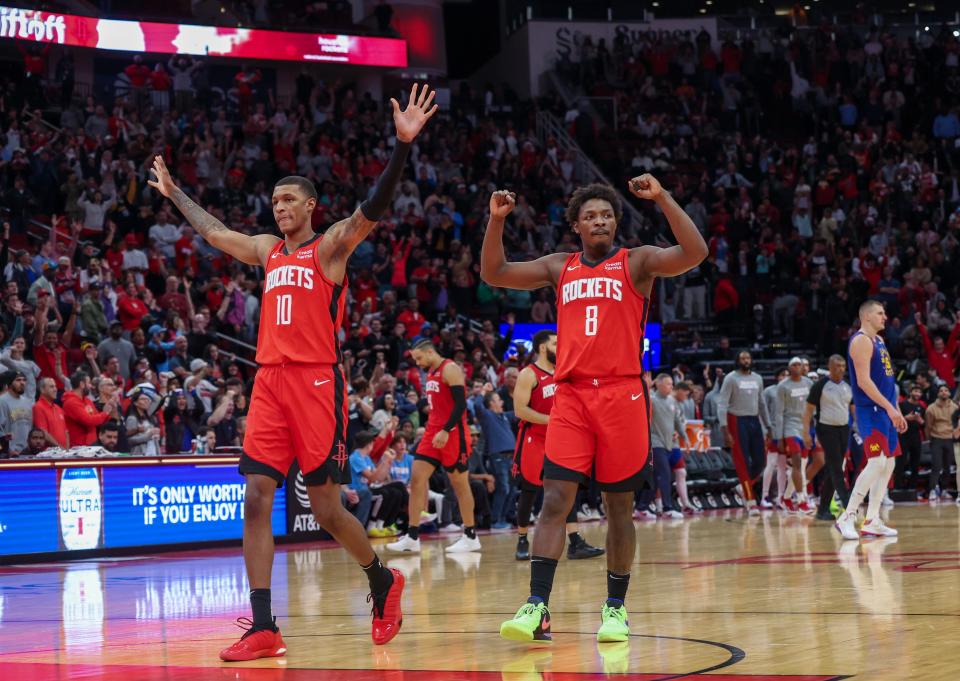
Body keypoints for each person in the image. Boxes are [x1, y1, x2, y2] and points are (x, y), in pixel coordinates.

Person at [148, 82, 437, 659]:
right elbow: (213, 233)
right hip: (270, 383)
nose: (279, 208)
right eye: (275, 201)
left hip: (317, 383)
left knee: (327, 509)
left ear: (310, 207)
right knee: (255, 496)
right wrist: (176, 193)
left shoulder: (329, 248)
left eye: (289, 201)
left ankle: (381, 579)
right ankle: (263, 625)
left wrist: (402, 146)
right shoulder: (266, 251)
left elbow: (372, 210)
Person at [482, 175, 707, 643]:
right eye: (590, 216)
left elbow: (695, 251)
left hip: (622, 396)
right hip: (572, 397)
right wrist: (496, 220)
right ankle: (536, 607)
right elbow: (494, 272)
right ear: (577, 226)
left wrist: (663, 197)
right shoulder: (558, 266)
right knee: (553, 502)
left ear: (615, 223)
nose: (599, 220)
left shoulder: (638, 261)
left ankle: (615, 609)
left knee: (618, 507)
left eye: (606, 214)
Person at [511, 330, 604, 560]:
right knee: (529, 491)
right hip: (534, 437)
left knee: (565, 487)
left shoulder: (563, 372)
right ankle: (522, 539)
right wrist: (551, 420)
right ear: (542, 348)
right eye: (555, 343)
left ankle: (575, 541)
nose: (559, 347)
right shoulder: (528, 374)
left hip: (559, 439)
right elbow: (519, 410)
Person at [385, 339, 481, 553]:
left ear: (430, 352)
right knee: (417, 478)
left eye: (419, 358)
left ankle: (471, 535)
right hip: (432, 432)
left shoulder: (451, 369)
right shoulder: (431, 372)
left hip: (453, 433)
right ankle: (412, 535)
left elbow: (461, 405)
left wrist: (446, 429)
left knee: (459, 484)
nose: (417, 362)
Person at [836, 300, 907, 540]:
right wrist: (889, 408)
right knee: (876, 462)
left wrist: (895, 409)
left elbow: (886, 382)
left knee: (889, 464)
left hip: (886, 410)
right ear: (866, 316)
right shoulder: (861, 341)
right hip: (871, 411)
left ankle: (872, 520)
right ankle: (847, 515)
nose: (885, 317)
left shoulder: (880, 340)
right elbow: (865, 383)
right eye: (880, 313)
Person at [717, 350, 772, 514]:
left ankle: (742, 486)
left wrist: (768, 426)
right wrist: (725, 429)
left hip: (754, 420)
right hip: (736, 420)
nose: (746, 360)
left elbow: (762, 403)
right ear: (737, 360)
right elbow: (722, 404)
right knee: (743, 463)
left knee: (761, 461)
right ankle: (750, 500)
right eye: (742, 358)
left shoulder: (757, 378)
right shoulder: (730, 378)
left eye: (748, 358)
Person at [803, 355, 854, 520]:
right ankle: (848, 505)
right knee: (835, 466)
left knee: (835, 468)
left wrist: (860, 428)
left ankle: (823, 509)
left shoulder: (848, 386)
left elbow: (853, 409)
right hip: (826, 428)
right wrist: (806, 432)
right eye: (837, 366)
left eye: (843, 366)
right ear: (830, 367)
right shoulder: (820, 385)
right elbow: (809, 411)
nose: (840, 369)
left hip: (844, 428)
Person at [470, 381, 519, 529]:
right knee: (503, 488)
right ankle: (496, 520)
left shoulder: (505, 416)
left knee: (512, 489)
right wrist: (484, 391)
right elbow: (477, 405)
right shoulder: (486, 416)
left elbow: (521, 412)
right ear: (491, 403)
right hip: (498, 457)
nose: (502, 402)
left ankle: (503, 519)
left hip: (512, 458)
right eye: (498, 400)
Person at [774, 357, 816, 514]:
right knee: (797, 464)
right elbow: (778, 413)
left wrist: (813, 431)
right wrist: (779, 437)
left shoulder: (808, 383)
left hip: (805, 427)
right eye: (794, 365)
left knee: (802, 467)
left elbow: (813, 409)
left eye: (800, 365)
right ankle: (801, 501)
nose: (798, 367)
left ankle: (785, 498)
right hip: (790, 427)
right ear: (789, 368)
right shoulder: (782, 386)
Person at [648, 373, 691, 519]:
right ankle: (667, 508)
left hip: (669, 444)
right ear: (658, 384)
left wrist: (685, 438)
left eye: (672, 384)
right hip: (655, 442)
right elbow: (637, 401)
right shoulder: (651, 400)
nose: (671, 387)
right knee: (665, 474)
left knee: (657, 477)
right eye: (668, 384)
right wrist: (647, 388)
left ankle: (641, 507)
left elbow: (678, 422)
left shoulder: (672, 401)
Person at [62, 369, 118, 447]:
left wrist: (110, 410)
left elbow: (98, 418)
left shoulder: (87, 401)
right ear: (82, 384)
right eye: (88, 383)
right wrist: (105, 413)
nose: (91, 386)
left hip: (91, 445)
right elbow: (88, 421)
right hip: (79, 448)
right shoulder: (71, 403)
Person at [760, 368, 788, 509]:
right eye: (782, 374)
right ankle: (764, 496)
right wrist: (765, 431)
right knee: (770, 464)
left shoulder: (789, 391)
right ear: (777, 377)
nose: (785, 377)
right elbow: (762, 412)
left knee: (782, 467)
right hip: (773, 433)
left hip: (786, 433)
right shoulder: (769, 391)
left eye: (787, 375)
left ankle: (780, 497)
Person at [924, 384, 957, 502]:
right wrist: (929, 439)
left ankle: (944, 490)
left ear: (949, 393)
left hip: (950, 439)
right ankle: (932, 490)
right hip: (936, 438)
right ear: (938, 394)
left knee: (948, 467)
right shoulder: (931, 408)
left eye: (946, 390)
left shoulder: (955, 407)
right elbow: (928, 426)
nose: (943, 392)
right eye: (941, 390)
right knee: (936, 466)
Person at [895, 384, 925, 494]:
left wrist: (921, 421)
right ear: (910, 392)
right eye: (915, 391)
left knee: (915, 463)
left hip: (916, 437)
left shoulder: (921, 408)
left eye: (919, 392)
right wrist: (906, 418)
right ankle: (897, 487)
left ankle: (912, 487)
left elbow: (923, 424)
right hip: (903, 436)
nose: (917, 394)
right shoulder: (902, 405)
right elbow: (897, 420)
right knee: (900, 462)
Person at [0, 371, 32, 456]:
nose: (22, 383)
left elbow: (29, 428)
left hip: (26, 451)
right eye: (18, 380)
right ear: (10, 383)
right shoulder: (2, 401)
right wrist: (8, 450)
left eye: (24, 380)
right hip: (9, 452)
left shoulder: (28, 402)